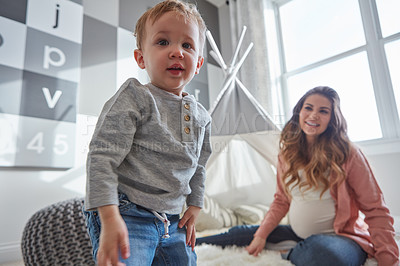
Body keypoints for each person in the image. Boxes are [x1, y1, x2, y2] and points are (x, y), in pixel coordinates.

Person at [197, 86, 399, 266]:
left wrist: (388, 259)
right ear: (299, 112)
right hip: (296, 233)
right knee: (240, 233)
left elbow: (375, 210)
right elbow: (281, 201)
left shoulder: (348, 154)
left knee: (325, 255)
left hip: (341, 239)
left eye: (323, 111)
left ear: (332, 119)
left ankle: (291, 253)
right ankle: (188, 241)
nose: (314, 115)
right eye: (308, 108)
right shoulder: (288, 154)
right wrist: (261, 236)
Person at [83, 1, 211, 265]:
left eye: (187, 45)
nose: (177, 51)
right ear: (141, 58)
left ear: (197, 63)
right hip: (126, 212)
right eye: (163, 42)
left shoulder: (202, 116)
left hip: (172, 221)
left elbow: (199, 166)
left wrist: (195, 206)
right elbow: (101, 158)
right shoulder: (135, 96)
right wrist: (109, 217)